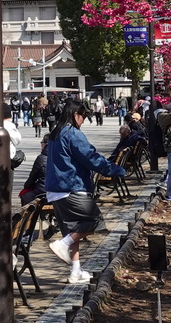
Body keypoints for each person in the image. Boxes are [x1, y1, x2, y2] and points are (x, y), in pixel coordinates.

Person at [44, 99, 127, 282]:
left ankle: (76, 271)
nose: (83, 120)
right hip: (71, 186)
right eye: (83, 116)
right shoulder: (72, 134)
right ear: (76, 115)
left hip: (55, 189)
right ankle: (62, 245)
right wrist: (116, 170)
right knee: (94, 221)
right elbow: (91, 158)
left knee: (73, 231)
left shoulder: (56, 133)